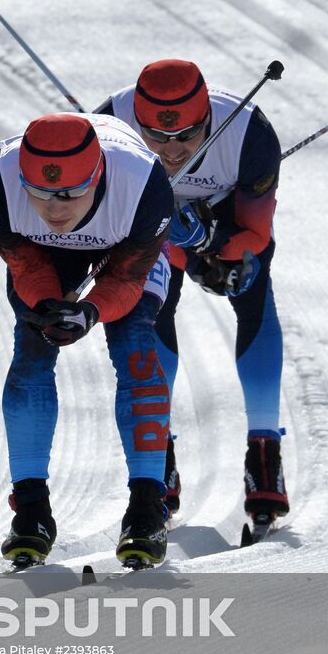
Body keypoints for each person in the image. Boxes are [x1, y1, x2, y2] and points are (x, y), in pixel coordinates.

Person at [0, 112, 175, 567]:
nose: (54, 208)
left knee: (134, 346)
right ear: (21, 178)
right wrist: (48, 307)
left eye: (68, 194)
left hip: (124, 244)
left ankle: (147, 508)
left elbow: (125, 280)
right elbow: (28, 269)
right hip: (45, 253)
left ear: (99, 175)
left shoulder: (144, 186)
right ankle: (31, 510)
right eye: (39, 192)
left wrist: (91, 311)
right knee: (31, 353)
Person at [96, 58, 289, 526]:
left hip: (224, 218)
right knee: (147, 312)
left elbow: (256, 234)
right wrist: (185, 249)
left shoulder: (248, 134)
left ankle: (264, 452)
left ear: (208, 120)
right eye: (156, 137)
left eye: (187, 136)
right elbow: (108, 225)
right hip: (147, 226)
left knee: (251, 287)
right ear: (135, 124)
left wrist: (215, 247)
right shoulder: (107, 130)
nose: (172, 150)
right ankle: (157, 449)